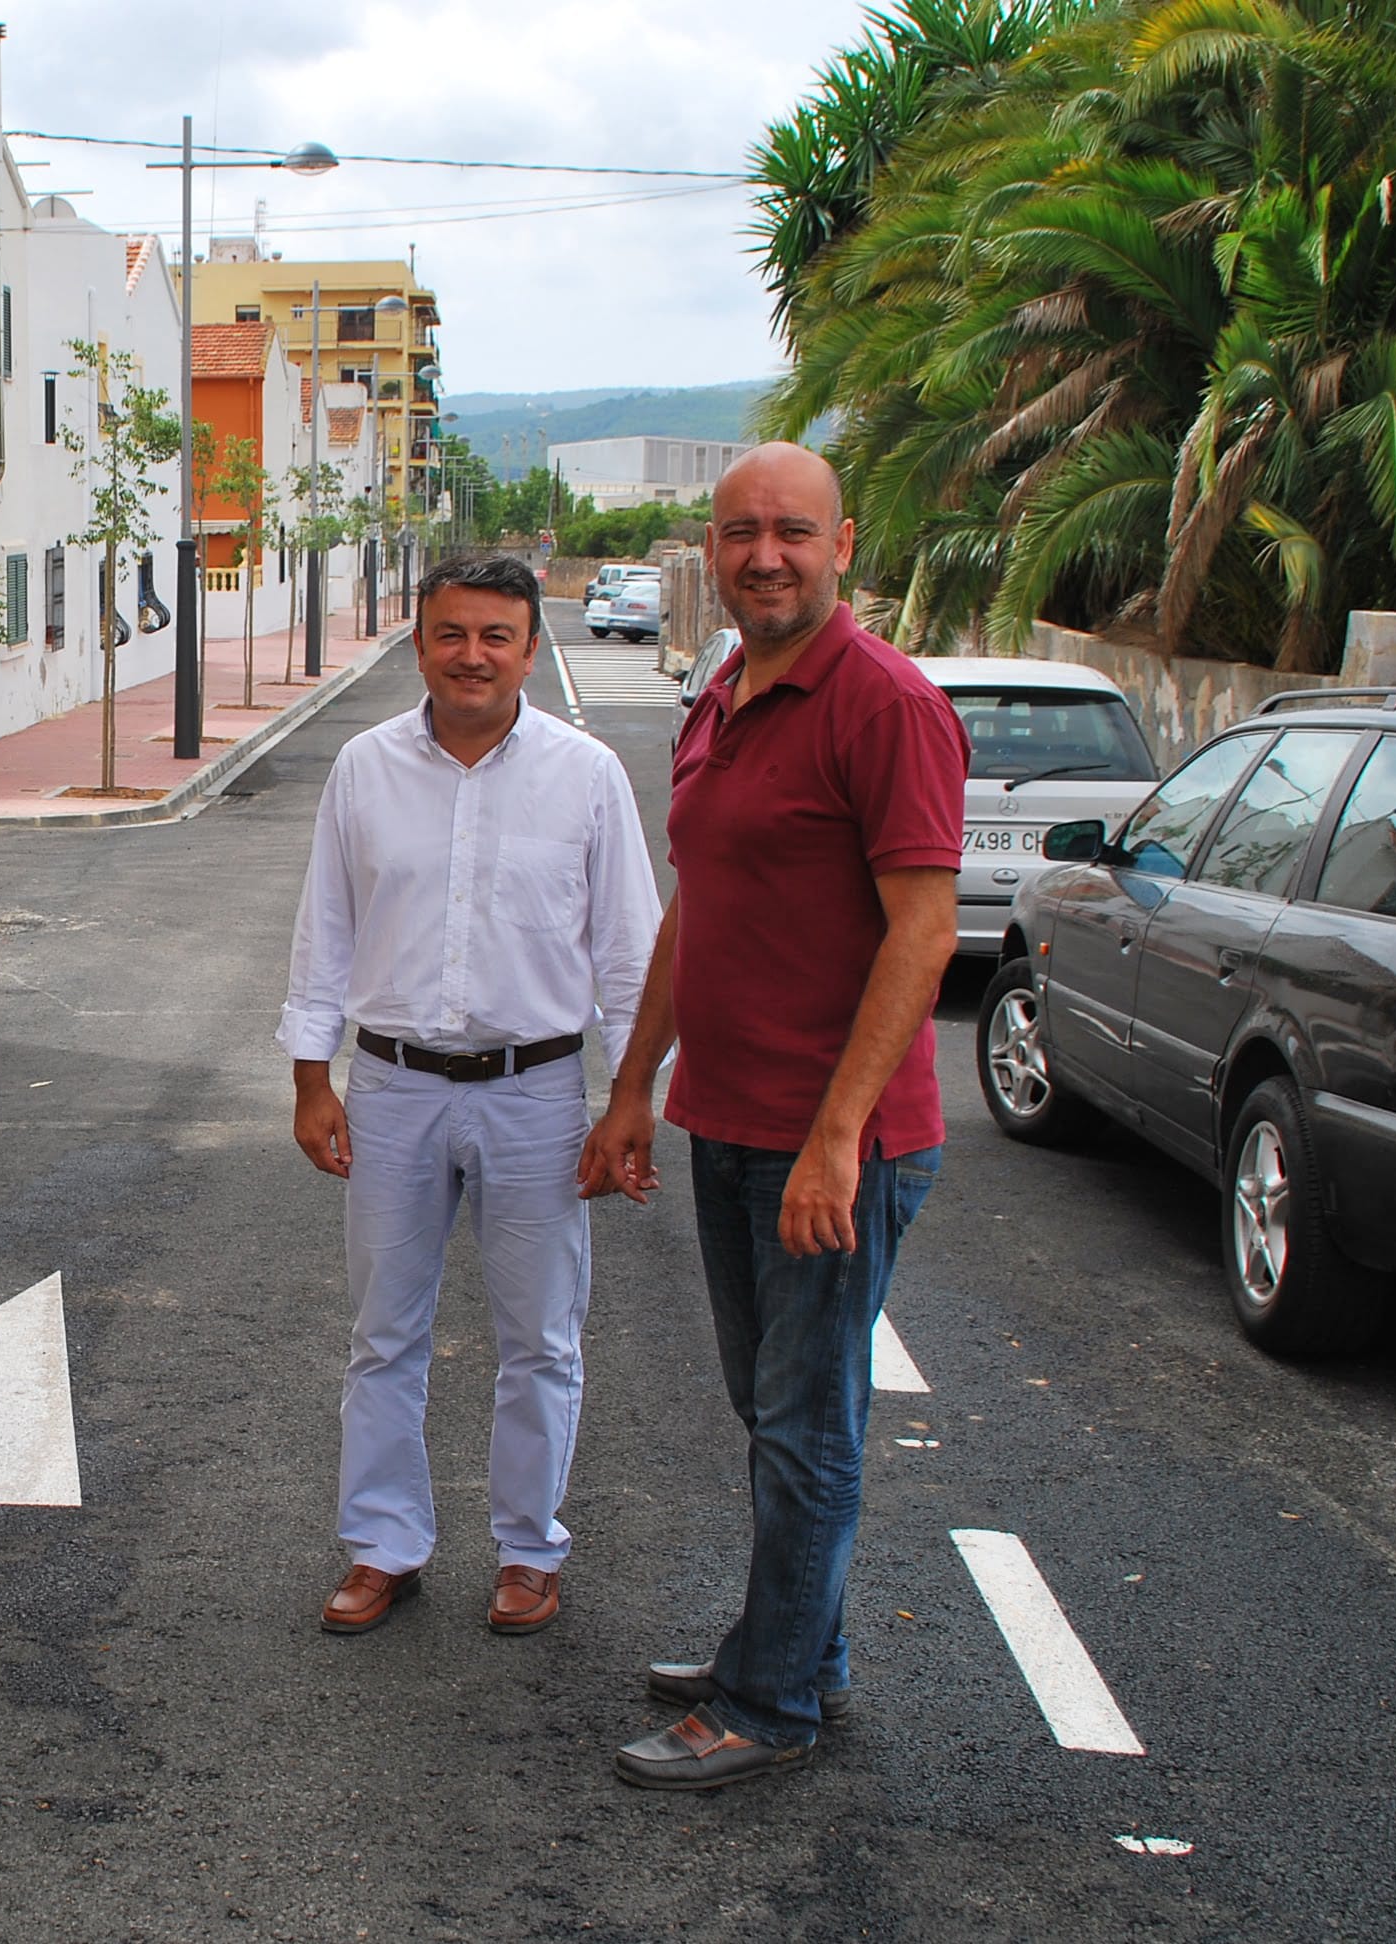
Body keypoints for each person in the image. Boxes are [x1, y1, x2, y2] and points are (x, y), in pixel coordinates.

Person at [578, 443, 967, 1789]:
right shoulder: (725, 693)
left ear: (842, 544)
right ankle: (805, 1650)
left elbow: (924, 933)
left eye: (792, 533)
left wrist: (840, 1134)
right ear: (713, 544)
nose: (765, 556)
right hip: (729, 1123)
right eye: (742, 533)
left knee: (806, 1424)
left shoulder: (886, 705)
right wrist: (635, 1088)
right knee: (772, 1407)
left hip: (830, 1144)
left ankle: (772, 1702)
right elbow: (698, 909)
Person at [283, 553, 660, 1638]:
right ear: (420, 646)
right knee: (382, 1333)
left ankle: (528, 1552)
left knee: (540, 1335)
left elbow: (630, 952)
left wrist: (629, 1100)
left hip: (536, 1091)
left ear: (531, 649)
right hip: (393, 1085)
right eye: (451, 634)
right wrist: (312, 1080)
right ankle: (381, 1547)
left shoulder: (584, 776)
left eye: (496, 635)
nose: (472, 655)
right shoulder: (363, 767)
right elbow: (326, 928)